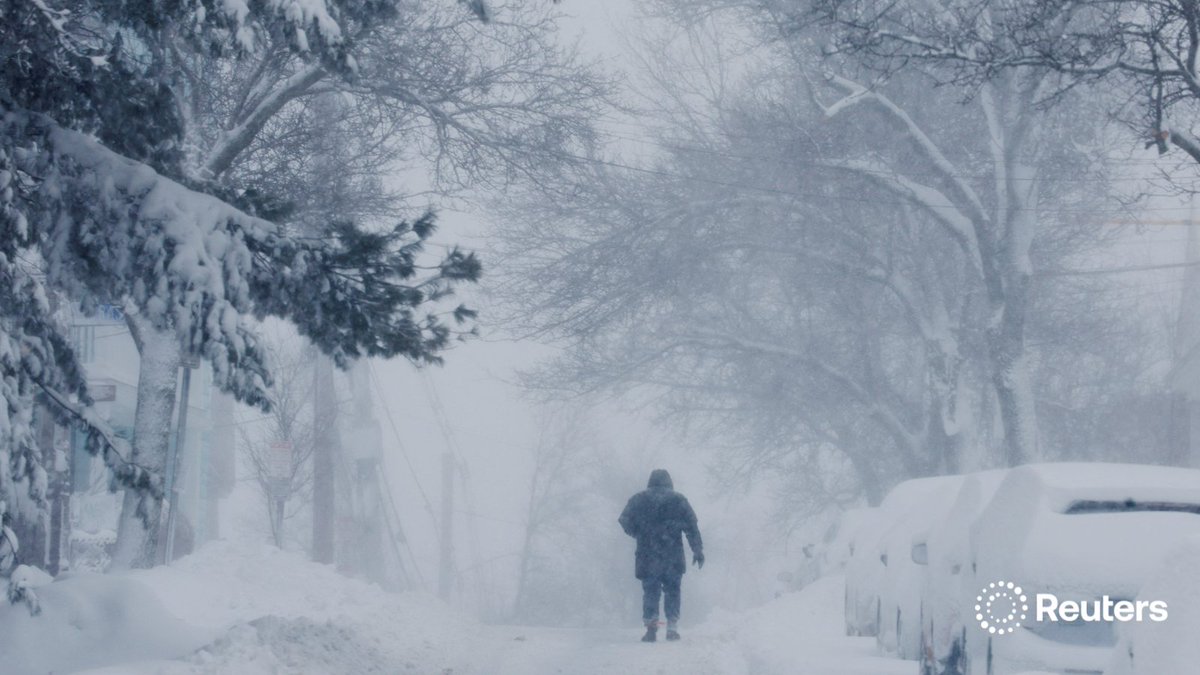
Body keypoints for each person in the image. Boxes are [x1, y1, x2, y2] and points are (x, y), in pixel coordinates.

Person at [618, 469, 704, 642]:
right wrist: (697, 550)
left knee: (651, 591)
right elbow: (691, 526)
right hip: (672, 554)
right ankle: (671, 628)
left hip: (648, 554)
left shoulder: (638, 499)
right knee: (673, 590)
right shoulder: (678, 500)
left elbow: (624, 520)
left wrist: (638, 532)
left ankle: (651, 628)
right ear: (669, 482)